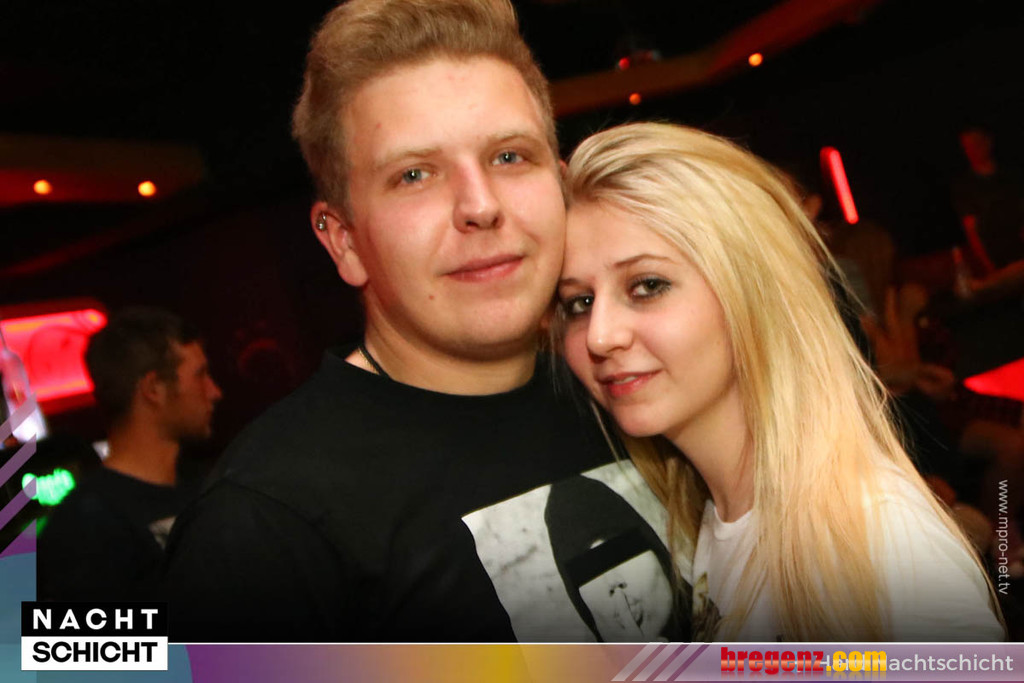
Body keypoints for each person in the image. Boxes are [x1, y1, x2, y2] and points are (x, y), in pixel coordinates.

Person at [162, 0, 687, 643]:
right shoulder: (264, 524)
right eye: (414, 175)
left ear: (560, 187)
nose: (480, 206)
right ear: (344, 241)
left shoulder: (630, 386)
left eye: (509, 157)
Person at [555, 122, 1005, 641]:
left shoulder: (877, 539)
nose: (600, 336)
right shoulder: (711, 523)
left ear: (750, 291)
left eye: (647, 285)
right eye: (579, 302)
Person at [37, 307, 222, 601]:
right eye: (200, 375)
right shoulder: (85, 526)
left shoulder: (211, 487)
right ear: (154, 389)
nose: (214, 391)